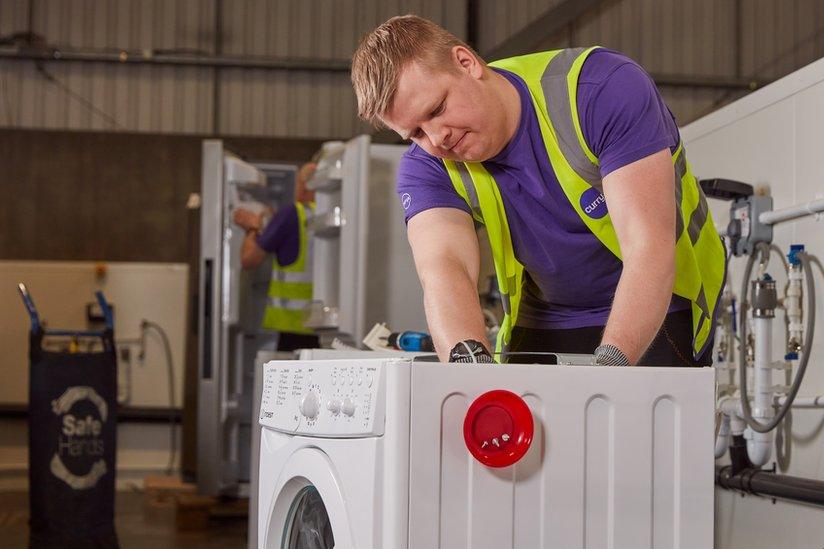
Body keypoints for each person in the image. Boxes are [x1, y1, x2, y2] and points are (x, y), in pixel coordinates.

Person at [350, 15, 726, 366]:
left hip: (662, 303)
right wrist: (468, 369)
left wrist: (610, 370)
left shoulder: (599, 90)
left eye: (436, 109)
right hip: (549, 314)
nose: (436, 139)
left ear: (466, 63)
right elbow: (445, 269)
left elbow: (649, 249)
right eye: (414, 133)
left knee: (635, 430)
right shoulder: (425, 165)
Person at [233, 162, 320, 352]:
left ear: (304, 185)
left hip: (293, 329)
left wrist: (253, 226)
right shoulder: (329, 215)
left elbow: (249, 259)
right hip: (326, 328)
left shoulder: (292, 214)